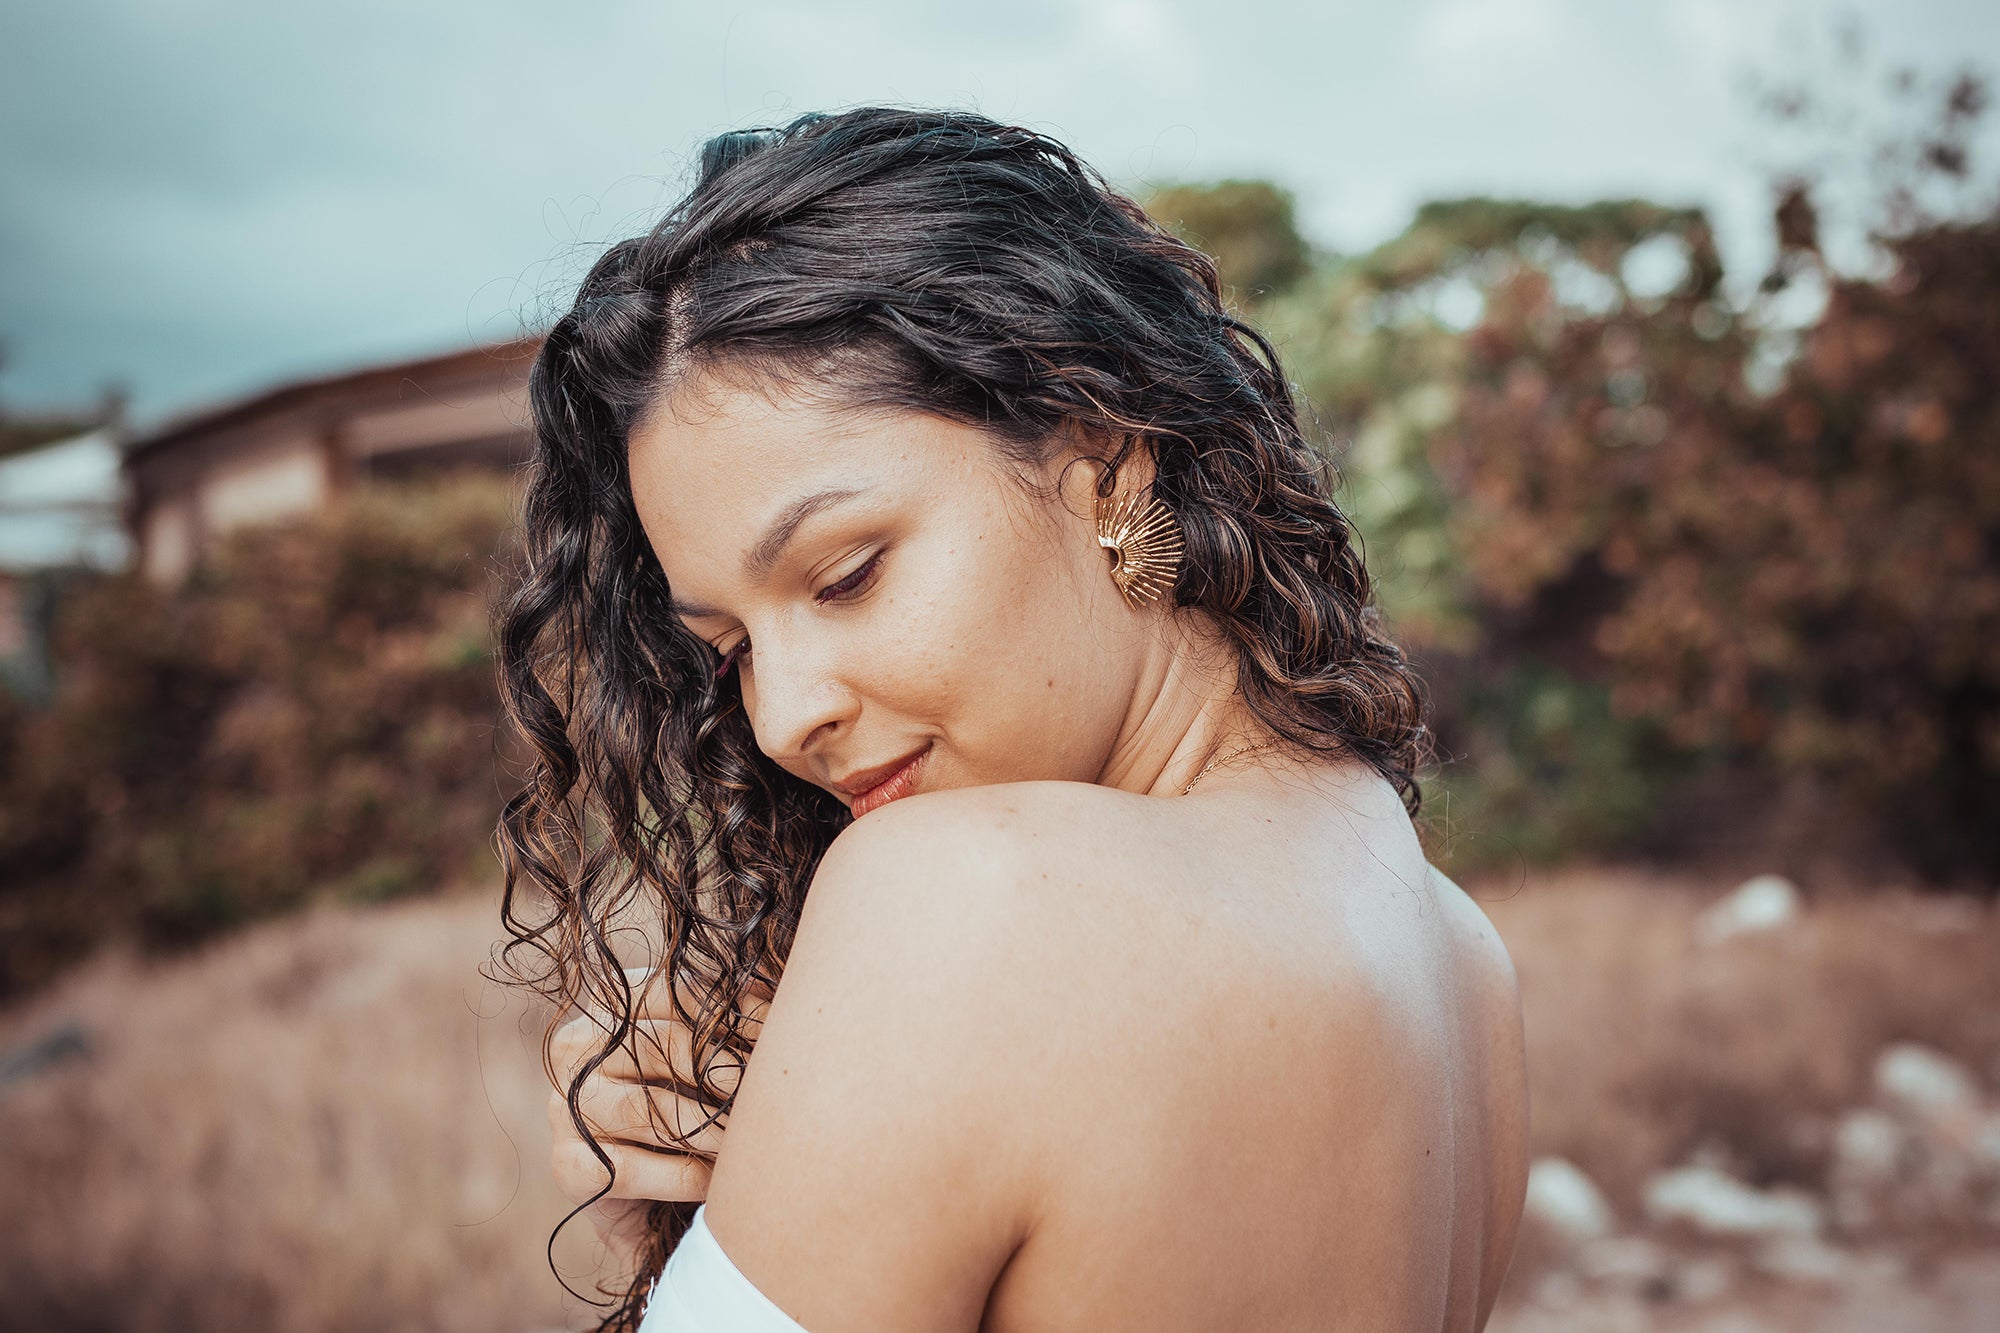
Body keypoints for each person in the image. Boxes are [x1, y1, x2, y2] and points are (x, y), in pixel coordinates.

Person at [496, 106, 1528, 1333]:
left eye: (845, 576)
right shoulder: (1463, 963)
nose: (782, 718)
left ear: (1107, 458)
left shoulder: (966, 898)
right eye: (726, 651)